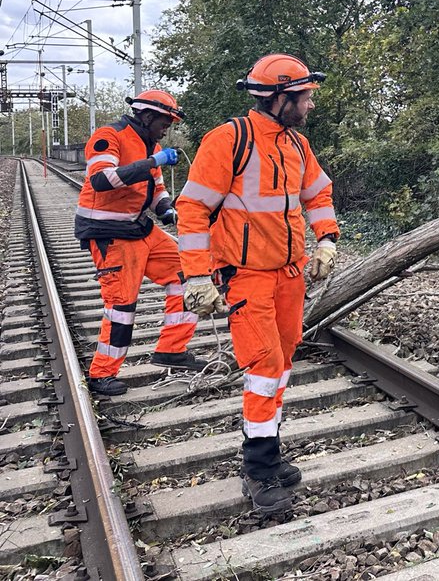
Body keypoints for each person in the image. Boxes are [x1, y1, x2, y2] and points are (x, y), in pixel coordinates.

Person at [175, 54, 340, 516]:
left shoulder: (297, 146)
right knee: (264, 366)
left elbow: (318, 194)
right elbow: (192, 211)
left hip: (290, 273)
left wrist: (326, 240)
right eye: (304, 96)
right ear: (279, 97)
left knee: (283, 362)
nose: (310, 104)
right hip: (246, 275)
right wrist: (195, 275)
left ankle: (267, 447)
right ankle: (259, 469)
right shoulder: (228, 140)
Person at [75, 89, 200, 396]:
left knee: (188, 272)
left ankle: (172, 348)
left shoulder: (151, 145)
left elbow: (156, 190)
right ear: (146, 116)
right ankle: (101, 374)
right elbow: (101, 180)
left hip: (139, 228)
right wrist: (151, 161)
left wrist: (167, 210)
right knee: (121, 306)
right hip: (109, 233)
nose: (167, 127)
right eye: (164, 121)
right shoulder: (109, 136)